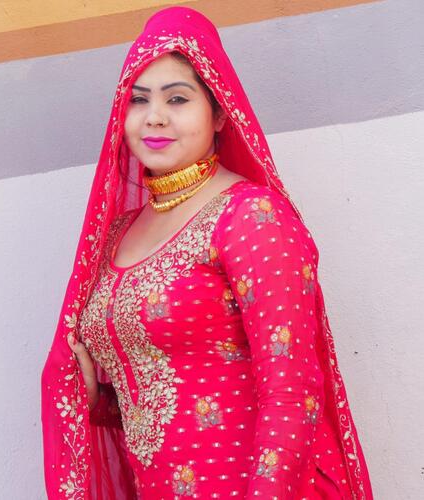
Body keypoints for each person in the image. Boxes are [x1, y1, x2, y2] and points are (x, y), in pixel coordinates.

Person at [41, 6, 373, 500]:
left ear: (218, 113)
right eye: (138, 99)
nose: (154, 116)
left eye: (177, 98)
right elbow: (161, 392)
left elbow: (293, 392)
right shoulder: (118, 235)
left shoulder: (251, 216)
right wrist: (98, 401)